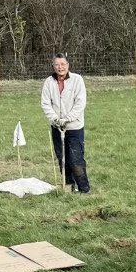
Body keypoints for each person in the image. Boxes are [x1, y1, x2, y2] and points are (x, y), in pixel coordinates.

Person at [40, 54, 90, 193]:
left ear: (68, 65)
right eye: (57, 64)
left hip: (74, 127)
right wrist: (55, 119)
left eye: (63, 64)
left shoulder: (77, 80)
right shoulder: (49, 82)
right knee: (62, 159)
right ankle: (69, 186)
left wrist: (67, 119)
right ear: (53, 66)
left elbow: (80, 103)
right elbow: (45, 103)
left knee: (76, 160)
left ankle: (84, 189)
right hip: (57, 127)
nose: (60, 67)